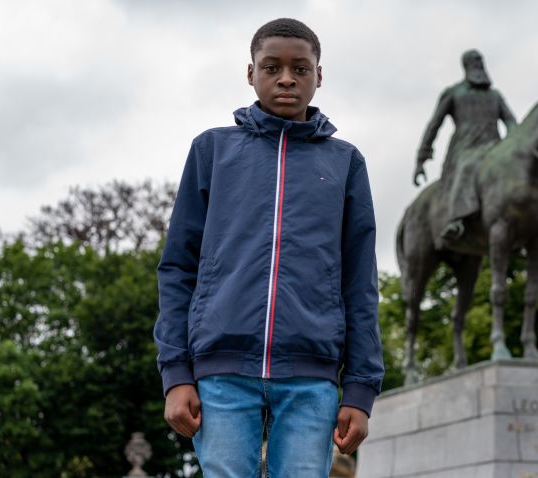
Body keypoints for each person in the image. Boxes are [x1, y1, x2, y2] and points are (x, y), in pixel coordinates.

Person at [153, 18, 383, 477]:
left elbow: (360, 283)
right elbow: (178, 267)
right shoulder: (213, 151)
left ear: (319, 75)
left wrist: (360, 389)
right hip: (220, 372)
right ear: (250, 73)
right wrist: (176, 375)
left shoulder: (345, 163)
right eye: (271, 66)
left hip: (311, 376)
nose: (285, 78)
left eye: (300, 68)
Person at [414, 49, 517, 242]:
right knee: (468, 167)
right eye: (474, 61)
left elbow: (510, 121)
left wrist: (516, 141)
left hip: (494, 148)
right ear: (466, 65)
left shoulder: (495, 96)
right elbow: (434, 125)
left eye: (480, 60)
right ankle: (456, 219)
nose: (478, 63)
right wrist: (421, 159)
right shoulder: (454, 93)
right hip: (465, 150)